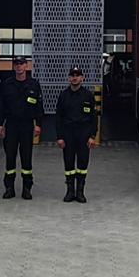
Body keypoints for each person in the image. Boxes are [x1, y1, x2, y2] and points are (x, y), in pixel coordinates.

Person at [0, 56, 44, 200]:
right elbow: (1, 106)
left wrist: (38, 124)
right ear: (14, 67)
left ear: (26, 66)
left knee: (26, 158)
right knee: (10, 157)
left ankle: (27, 188)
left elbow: (39, 107)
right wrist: (0, 124)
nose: (19, 67)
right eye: (16, 64)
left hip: (27, 125)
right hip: (12, 125)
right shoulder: (7, 84)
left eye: (21, 64)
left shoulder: (33, 84)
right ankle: (9, 188)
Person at [55, 67, 98, 203]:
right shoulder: (63, 95)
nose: (75, 78)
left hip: (83, 134)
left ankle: (80, 192)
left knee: (82, 163)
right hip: (68, 134)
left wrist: (92, 136)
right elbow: (58, 118)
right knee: (69, 164)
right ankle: (70, 191)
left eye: (77, 75)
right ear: (69, 78)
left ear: (82, 78)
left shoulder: (88, 96)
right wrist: (60, 137)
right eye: (72, 75)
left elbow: (93, 117)